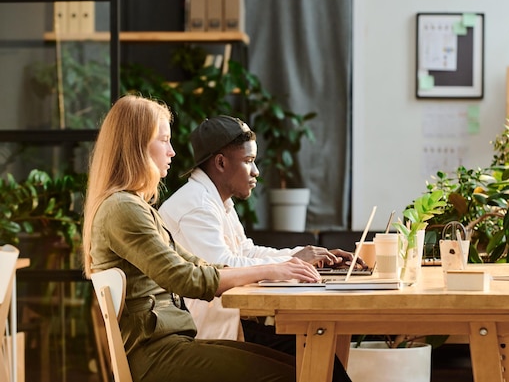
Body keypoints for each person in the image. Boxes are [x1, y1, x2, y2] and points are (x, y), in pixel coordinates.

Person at [82, 95, 322, 382]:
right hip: (157, 357)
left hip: (171, 346)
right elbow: (185, 278)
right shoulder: (122, 209)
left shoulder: (134, 207)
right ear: (137, 146)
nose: (172, 152)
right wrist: (272, 269)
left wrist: (283, 265)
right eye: (164, 140)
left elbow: (197, 264)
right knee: (300, 374)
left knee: (307, 366)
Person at [158, 115, 362, 382]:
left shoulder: (214, 200)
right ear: (220, 162)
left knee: (321, 360)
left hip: (231, 323)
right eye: (249, 161)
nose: (256, 172)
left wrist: (301, 257)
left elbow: (246, 251)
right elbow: (224, 267)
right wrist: (286, 266)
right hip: (209, 335)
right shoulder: (196, 206)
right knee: (317, 363)